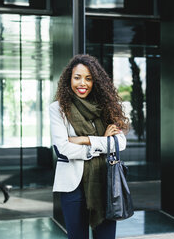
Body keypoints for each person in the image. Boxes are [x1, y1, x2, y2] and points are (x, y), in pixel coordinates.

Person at [50, 54, 129, 239]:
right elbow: (64, 148)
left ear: (96, 82)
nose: (82, 83)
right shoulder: (58, 108)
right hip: (72, 185)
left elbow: (120, 143)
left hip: (105, 182)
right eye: (77, 77)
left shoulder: (107, 106)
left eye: (88, 78)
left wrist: (85, 139)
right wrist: (102, 141)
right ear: (69, 78)